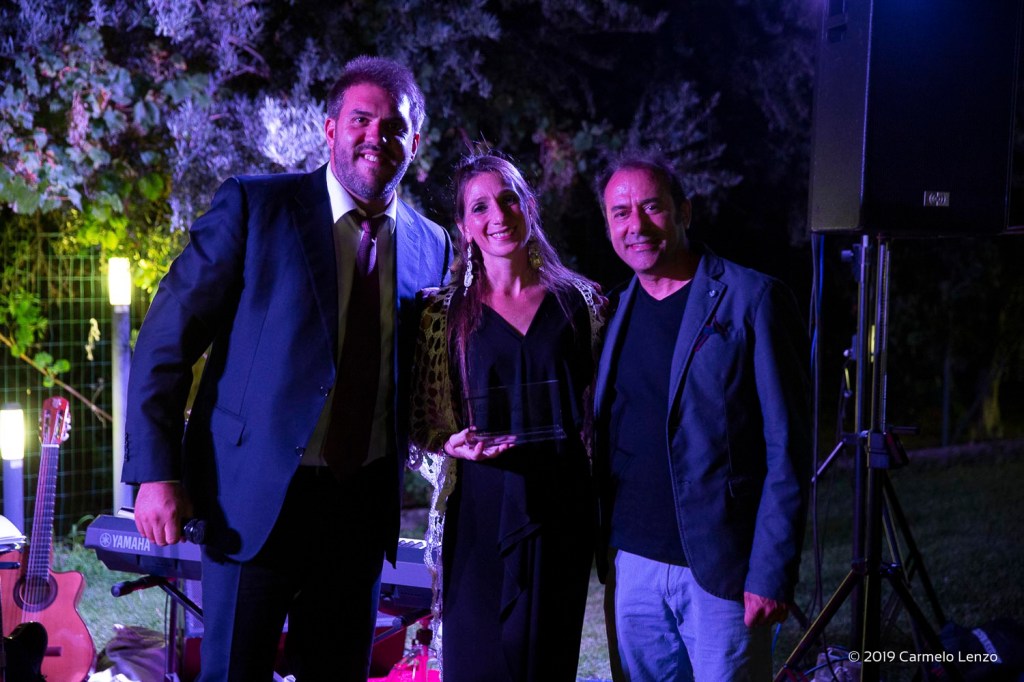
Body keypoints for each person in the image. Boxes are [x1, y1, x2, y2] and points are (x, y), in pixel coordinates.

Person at [122, 56, 452, 680]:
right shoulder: (257, 207)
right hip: (252, 500)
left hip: (358, 509)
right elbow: (166, 339)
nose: (375, 137)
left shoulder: (430, 244)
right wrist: (156, 473)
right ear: (330, 130)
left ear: (415, 143)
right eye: (360, 120)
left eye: (394, 127)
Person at [592, 150, 811, 681]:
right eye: (620, 213)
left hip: (721, 569)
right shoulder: (613, 309)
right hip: (632, 566)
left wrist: (770, 572)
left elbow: (788, 447)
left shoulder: (752, 299)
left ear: (684, 212)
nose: (636, 225)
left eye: (651, 207)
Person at [408, 152, 606, 681]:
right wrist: (450, 444)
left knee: (546, 664)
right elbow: (420, 425)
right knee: (477, 663)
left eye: (508, 199)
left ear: (529, 206)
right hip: (479, 512)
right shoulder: (440, 315)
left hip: (559, 511)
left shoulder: (581, 304)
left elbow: (603, 413)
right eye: (480, 207)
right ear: (464, 226)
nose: (498, 215)